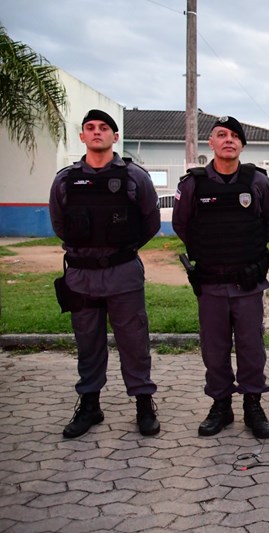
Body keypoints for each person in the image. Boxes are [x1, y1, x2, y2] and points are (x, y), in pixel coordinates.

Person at [49, 109, 161, 438]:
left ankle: (143, 402)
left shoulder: (134, 177)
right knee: (87, 342)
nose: (97, 132)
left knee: (134, 340)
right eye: (90, 128)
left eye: (104, 128)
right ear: (82, 137)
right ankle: (89, 405)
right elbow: (59, 224)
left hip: (122, 273)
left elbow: (150, 222)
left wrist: (121, 250)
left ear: (115, 137)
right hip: (82, 275)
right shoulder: (65, 180)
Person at [172, 115, 269, 438]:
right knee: (214, 348)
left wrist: (246, 249)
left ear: (242, 145)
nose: (228, 140)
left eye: (235, 136)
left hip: (247, 284)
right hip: (210, 283)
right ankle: (221, 405)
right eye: (222, 135)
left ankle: (253, 404)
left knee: (251, 347)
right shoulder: (192, 184)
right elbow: (182, 225)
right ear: (212, 143)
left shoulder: (257, 181)